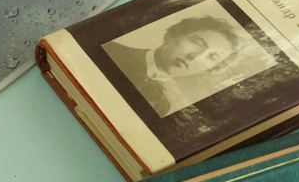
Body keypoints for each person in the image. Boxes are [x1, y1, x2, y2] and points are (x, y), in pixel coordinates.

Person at [103, 16, 245, 116]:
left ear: (209, 69)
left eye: (211, 57)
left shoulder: (161, 107)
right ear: (173, 36)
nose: (195, 57)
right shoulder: (110, 50)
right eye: (197, 44)